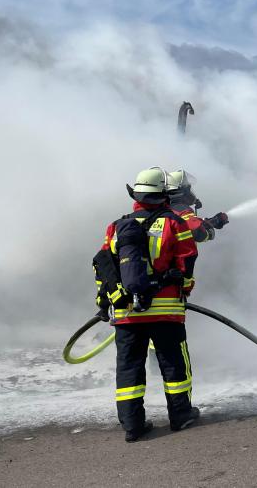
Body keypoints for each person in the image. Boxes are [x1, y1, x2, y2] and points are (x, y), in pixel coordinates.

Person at [93, 167, 201, 442]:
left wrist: (105, 300)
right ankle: (181, 416)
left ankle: (133, 425)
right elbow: (187, 259)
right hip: (167, 311)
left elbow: (105, 266)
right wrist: (185, 287)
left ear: (137, 195)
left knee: (129, 368)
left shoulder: (117, 226)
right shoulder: (174, 223)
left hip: (127, 313)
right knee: (174, 365)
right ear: (163, 194)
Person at [165, 169, 229, 243]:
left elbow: (186, 223)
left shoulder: (165, 206)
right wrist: (209, 232)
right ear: (182, 191)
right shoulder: (182, 209)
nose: (190, 192)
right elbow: (199, 233)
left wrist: (213, 220)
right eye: (188, 189)